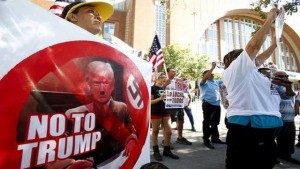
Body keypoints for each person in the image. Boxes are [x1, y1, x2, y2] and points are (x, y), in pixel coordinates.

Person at [222, 7, 282, 169]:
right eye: (245, 57)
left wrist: (274, 45)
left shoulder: (251, 71)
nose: (253, 59)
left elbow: (259, 57)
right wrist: (269, 19)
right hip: (249, 128)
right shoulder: (234, 71)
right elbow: (254, 46)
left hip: (266, 129)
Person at [47, 61, 137, 168]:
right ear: (88, 85)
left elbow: (133, 130)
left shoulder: (122, 108)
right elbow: (54, 153)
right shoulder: (73, 114)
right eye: (97, 83)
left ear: (112, 86)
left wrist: (132, 139)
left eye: (106, 83)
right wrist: (71, 164)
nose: (102, 90)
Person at [272, 71, 300, 164]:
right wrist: (287, 86)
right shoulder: (273, 87)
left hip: (289, 118)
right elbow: (286, 96)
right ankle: (276, 156)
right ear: (274, 78)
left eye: (286, 76)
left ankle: (286, 155)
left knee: (288, 138)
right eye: (281, 76)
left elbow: (293, 96)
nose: (284, 78)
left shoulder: (285, 87)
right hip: (279, 118)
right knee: (275, 138)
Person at [151, 72, 179, 161]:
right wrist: (160, 98)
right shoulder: (152, 88)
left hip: (166, 111)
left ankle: (167, 150)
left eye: (164, 77)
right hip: (156, 112)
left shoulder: (166, 88)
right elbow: (150, 102)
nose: (164, 79)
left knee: (169, 132)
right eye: (161, 77)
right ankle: (156, 151)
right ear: (156, 79)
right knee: (155, 131)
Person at [200, 62, 225, 149]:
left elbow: (227, 78)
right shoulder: (204, 82)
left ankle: (215, 138)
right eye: (210, 74)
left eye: (213, 74)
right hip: (208, 104)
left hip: (216, 104)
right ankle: (206, 140)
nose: (212, 75)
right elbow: (205, 78)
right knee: (207, 122)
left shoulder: (216, 82)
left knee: (215, 123)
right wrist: (212, 68)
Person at [164, 68, 192, 145]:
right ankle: (165, 140)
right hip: (169, 105)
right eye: (172, 71)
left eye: (175, 71)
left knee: (180, 121)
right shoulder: (164, 79)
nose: (174, 73)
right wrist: (165, 84)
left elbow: (185, 90)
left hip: (179, 104)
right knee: (168, 123)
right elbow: (160, 90)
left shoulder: (178, 81)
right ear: (167, 72)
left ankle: (180, 138)